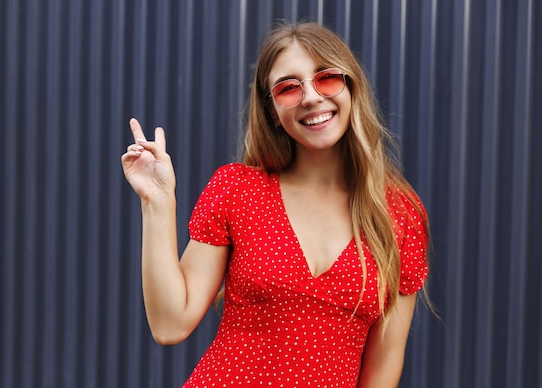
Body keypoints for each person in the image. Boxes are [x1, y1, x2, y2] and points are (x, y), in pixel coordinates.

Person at [122, 22, 430, 387]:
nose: (312, 97)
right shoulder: (237, 189)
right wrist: (157, 201)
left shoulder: (398, 213)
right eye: (288, 88)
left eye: (326, 78)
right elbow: (170, 324)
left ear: (351, 87)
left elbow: (383, 368)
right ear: (272, 112)